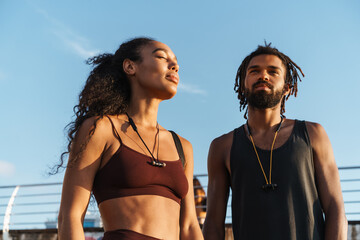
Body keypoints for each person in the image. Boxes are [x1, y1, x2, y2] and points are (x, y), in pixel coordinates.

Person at [56, 37, 203, 240]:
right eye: (161, 56)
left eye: (176, 61)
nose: (174, 65)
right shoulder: (101, 129)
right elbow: (69, 217)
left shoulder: (182, 146)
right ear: (130, 66)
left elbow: (189, 227)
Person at [202, 43, 348, 240]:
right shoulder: (222, 146)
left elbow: (335, 208)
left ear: (287, 88)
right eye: (254, 71)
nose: (263, 76)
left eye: (273, 71)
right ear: (244, 84)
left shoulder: (313, 134)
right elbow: (212, 225)